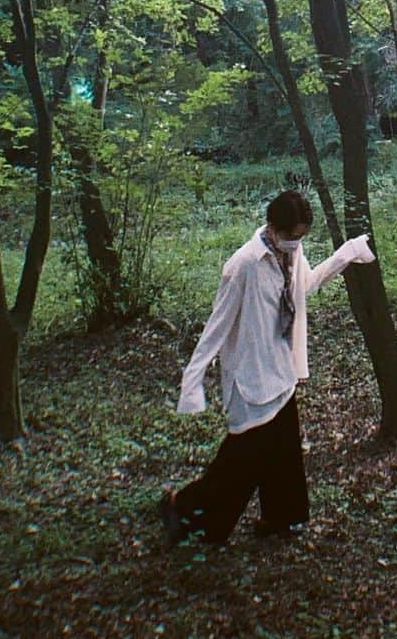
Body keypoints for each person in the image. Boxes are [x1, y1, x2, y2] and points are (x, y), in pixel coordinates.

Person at [158, 185, 375, 544]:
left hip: (279, 368)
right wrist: (192, 382)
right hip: (249, 377)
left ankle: (280, 518)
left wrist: (346, 254)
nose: (295, 244)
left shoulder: (289, 253)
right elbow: (216, 327)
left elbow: (304, 286)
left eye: (300, 238)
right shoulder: (243, 266)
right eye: (291, 237)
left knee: (283, 450)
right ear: (272, 227)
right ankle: (183, 509)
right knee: (241, 461)